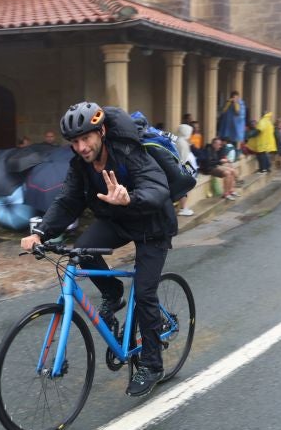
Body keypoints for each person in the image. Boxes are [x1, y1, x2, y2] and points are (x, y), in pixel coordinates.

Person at [20, 102, 177, 398]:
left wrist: (130, 197)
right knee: (82, 250)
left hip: (152, 224)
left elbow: (157, 188)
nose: (81, 147)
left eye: (86, 138)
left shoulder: (129, 152)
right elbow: (68, 201)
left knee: (144, 294)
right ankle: (112, 293)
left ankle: (153, 364)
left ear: (101, 131)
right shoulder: (80, 165)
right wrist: (41, 232)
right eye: (75, 141)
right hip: (117, 221)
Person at [175, 123, 197, 216]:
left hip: (184, 167)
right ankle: (183, 208)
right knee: (186, 187)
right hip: (184, 168)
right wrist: (191, 172)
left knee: (186, 187)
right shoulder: (182, 142)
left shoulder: (180, 140)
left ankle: (183, 207)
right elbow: (183, 159)